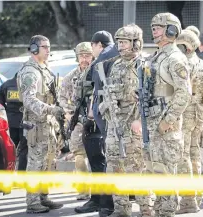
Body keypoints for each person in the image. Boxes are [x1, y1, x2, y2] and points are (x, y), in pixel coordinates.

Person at [99, 23, 153, 217]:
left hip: (134, 124)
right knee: (114, 167)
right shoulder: (115, 65)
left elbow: (149, 97)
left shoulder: (144, 65)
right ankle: (121, 209)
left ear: (136, 43)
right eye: (119, 42)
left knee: (137, 168)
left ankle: (146, 209)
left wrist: (140, 119)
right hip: (115, 124)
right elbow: (109, 93)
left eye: (125, 42)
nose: (120, 46)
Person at [146, 12, 190, 217]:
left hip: (166, 124)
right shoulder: (157, 57)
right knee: (156, 169)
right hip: (153, 121)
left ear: (172, 30)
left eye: (159, 26)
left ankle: (168, 210)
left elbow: (184, 93)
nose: (154, 29)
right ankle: (161, 209)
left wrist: (167, 120)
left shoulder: (175, 58)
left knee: (166, 170)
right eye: (153, 26)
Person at [17, 35, 64, 213]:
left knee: (48, 161)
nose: (48, 50)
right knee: (35, 162)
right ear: (34, 49)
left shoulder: (44, 69)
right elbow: (29, 100)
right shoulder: (30, 71)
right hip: (36, 124)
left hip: (47, 123)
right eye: (45, 47)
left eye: (49, 46)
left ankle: (43, 197)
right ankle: (32, 201)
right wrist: (51, 110)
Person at [74, 31, 117, 216]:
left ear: (97, 44)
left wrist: (90, 116)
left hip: (100, 119)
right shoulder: (117, 55)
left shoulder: (103, 58)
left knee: (99, 161)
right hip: (112, 119)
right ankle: (103, 201)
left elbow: (95, 90)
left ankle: (102, 202)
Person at [175, 28, 203, 213]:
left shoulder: (183, 65)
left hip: (185, 116)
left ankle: (188, 201)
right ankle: (196, 198)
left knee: (183, 157)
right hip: (201, 116)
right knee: (195, 157)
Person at [59, 42, 94, 200]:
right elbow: (62, 97)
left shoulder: (97, 73)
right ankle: (83, 189)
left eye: (87, 55)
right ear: (77, 57)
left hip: (96, 121)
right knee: (79, 155)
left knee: (99, 156)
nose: (85, 59)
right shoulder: (70, 77)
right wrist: (68, 112)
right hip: (77, 121)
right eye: (82, 56)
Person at [0, 72, 28, 171]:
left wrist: (8, 113)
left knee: (9, 150)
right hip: (25, 122)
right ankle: (21, 175)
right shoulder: (28, 85)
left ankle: (7, 172)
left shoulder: (6, 85)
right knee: (24, 150)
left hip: (10, 122)